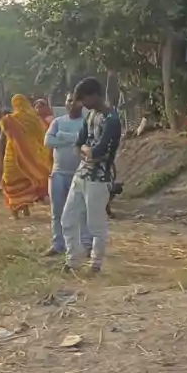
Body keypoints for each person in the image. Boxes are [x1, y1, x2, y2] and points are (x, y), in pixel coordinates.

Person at [61, 77, 122, 274]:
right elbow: (78, 146)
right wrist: (87, 151)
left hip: (99, 178)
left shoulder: (112, 119)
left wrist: (87, 151)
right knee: (67, 219)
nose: (82, 104)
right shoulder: (90, 116)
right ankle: (73, 260)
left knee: (96, 225)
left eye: (83, 99)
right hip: (81, 175)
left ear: (95, 95)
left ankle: (95, 264)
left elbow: (98, 151)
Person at [44, 94, 91, 258]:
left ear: (82, 103)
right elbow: (48, 142)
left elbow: (88, 143)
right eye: (69, 100)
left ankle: (86, 245)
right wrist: (75, 140)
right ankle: (58, 244)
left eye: (75, 100)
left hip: (80, 173)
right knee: (57, 211)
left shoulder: (86, 123)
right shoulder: (57, 122)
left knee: (83, 212)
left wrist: (63, 136)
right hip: (58, 173)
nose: (72, 103)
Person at [0, 94, 53, 219]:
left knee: (11, 180)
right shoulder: (34, 119)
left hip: (12, 155)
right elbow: (41, 136)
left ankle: (15, 212)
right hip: (29, 157)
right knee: (26, 180)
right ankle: (25, 208)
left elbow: (4, 135)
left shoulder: (10, 119)